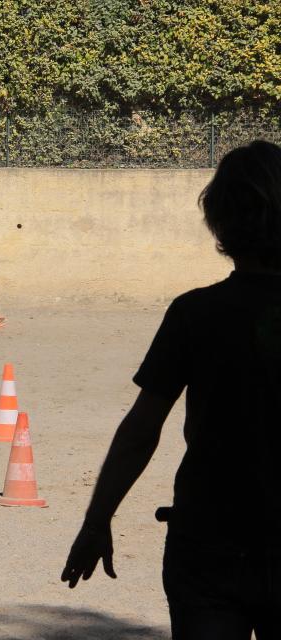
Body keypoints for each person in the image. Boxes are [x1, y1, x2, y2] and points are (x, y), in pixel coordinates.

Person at [61, 140, 281, 639]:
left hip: (209, 546)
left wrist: (97, 521)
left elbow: (142, 429)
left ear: (221, 222)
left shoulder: (194, 314)